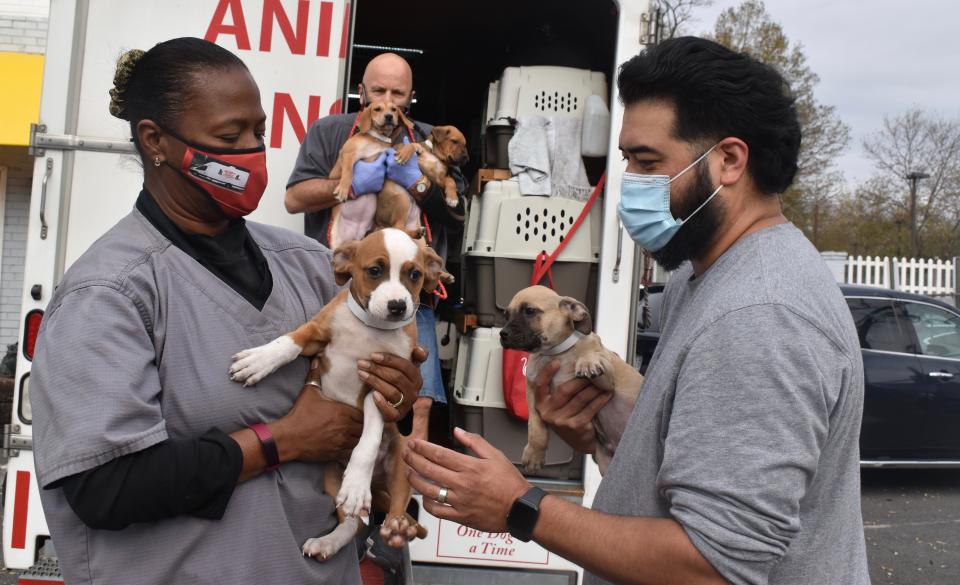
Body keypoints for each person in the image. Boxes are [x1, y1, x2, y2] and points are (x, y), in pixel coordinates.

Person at [403, 36, 870, 585]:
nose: (630, 184)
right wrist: (610, 437)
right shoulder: (701, 279)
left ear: (729, 161)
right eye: (627, 160)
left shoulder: (761, 315)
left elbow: (711, 567)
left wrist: (519, 506)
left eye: (648, 162)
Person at [31, 38, 425, 585]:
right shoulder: (110, 294)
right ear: (155, 141)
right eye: (229, 136)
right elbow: (105, 488)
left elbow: (366, 409)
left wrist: (396, 394)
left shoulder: (310, 268)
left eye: (259, 132)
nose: (252, 151)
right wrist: (283, 440)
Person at [285, 52, 466, 432]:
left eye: (397, 93)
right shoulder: (330, 131)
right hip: (336, 289)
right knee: (320, 384)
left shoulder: (432, 137)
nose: (389, 101)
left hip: (410, 293)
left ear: (410, 96)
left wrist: (416, 182)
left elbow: (457, 213)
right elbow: (295, 198)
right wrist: (349, 187)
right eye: (379, 90)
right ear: (361, 91)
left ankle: (409, 488)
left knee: (415, 398)